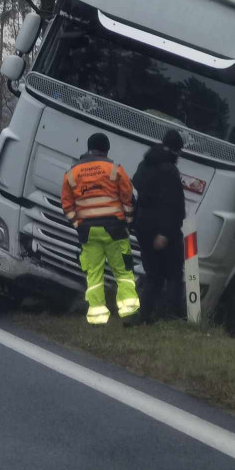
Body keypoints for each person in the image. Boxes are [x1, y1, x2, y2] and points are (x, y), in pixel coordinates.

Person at [60, 132, 140, 325]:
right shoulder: (114, 169)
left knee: (94, 274)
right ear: (106, 150)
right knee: (123, 271)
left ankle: (97, 316)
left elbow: (67, 205)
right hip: (115, 230)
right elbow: (128, 199)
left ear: (88, 148)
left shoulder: (72, 173)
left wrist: (78, 224)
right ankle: (128, 311)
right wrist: (128, 221)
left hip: (88, 232)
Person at [133, 129, 187, 325]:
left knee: (153, 274)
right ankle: (169, 316)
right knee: (173, 273)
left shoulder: (145, 164)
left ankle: (144, 316)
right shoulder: (169, 170)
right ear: (177, 150)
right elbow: (173, 205)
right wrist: (164, 232)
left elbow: (136, 183)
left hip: (142, 226)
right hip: (164, 230)